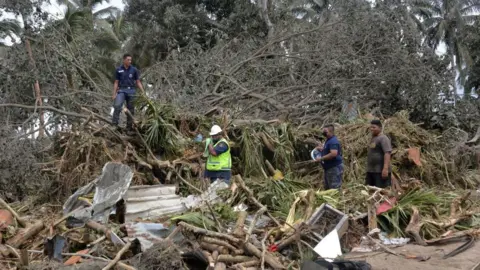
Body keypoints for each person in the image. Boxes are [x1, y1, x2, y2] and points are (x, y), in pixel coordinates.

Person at [112, 54, 145, 131]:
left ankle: (129, 128)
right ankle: (114, 125)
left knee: (131, 109)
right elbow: (116, 82)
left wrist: (143, 92)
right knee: (117, 106)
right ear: (124, 60)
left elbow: (138, 82)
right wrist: (114, 94)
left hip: (131, 91)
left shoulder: (134, 70)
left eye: (130, 60)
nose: (130, 61)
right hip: (121, 90)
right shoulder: (118, 69)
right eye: (128, 60)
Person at [366, 119, 392, 188]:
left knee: (381, 191)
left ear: (380, 128)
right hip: (371, 170)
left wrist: (385, 169)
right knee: (370, 191)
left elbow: (387, 153)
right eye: (371, 127)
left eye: (374, 127)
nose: (372, 129)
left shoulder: (383, 138)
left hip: (380, 171)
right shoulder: (373, 138)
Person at [315, 124, 343, 190]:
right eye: (323, 131)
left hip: (334, 168)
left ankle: (336, 199)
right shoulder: (328, 139)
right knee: (328, 187)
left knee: (334, 188)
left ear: (331, 132)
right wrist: (322, 149)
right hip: (328, 168)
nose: (324, 133)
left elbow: (333, 154)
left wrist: (321, 158)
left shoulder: (333, 141)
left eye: (325, 131)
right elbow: (329, 149)